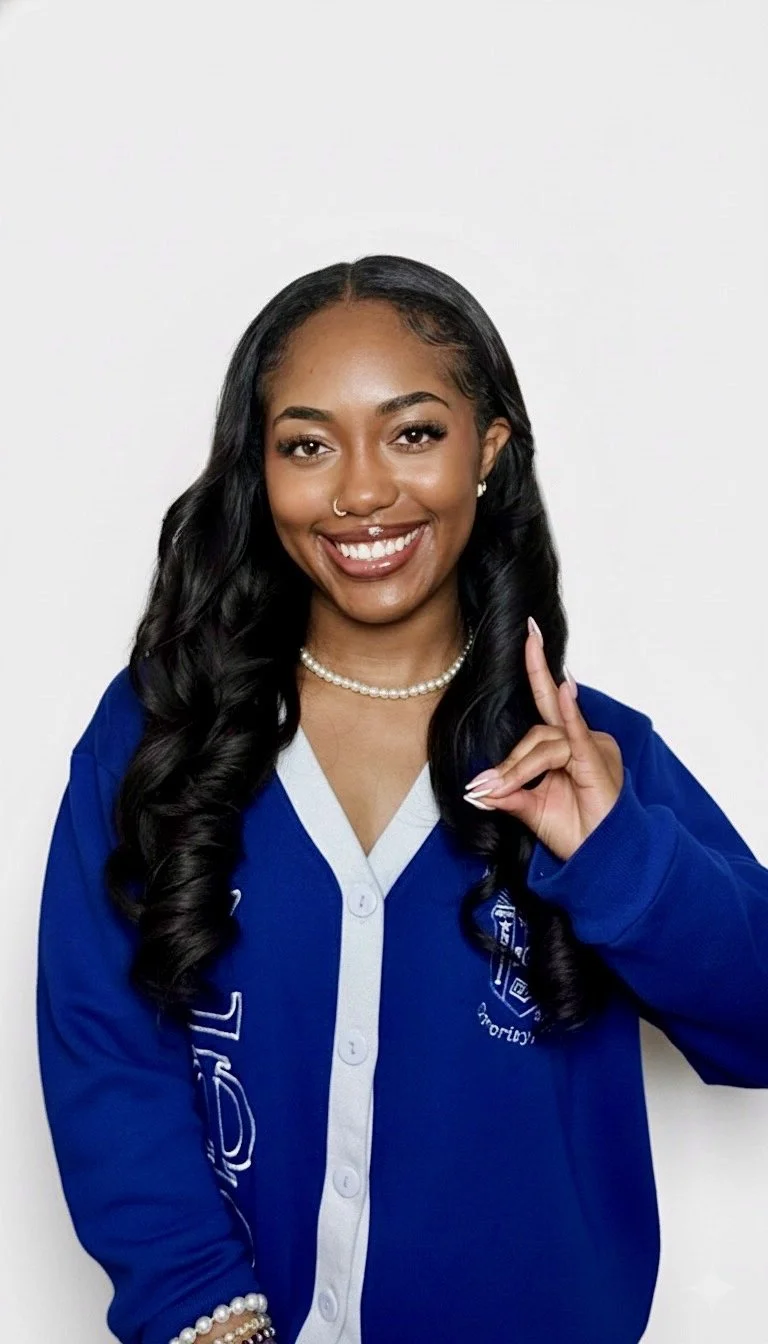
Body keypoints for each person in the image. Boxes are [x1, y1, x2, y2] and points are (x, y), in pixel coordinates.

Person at [36, 254, 768, 1344]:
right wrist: (198, 1305)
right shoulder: (162, 732)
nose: (363, 490)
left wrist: (614, 852)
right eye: (307, 445)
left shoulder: (589, 757)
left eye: (414, 432)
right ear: (260, 471)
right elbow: (102, 1038)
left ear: (489, 452)